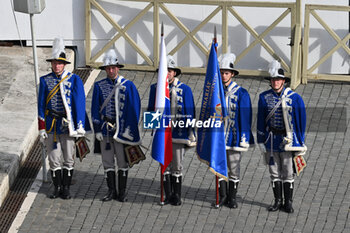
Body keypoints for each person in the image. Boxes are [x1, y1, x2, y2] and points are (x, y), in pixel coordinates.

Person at [38, 37, 89, 199]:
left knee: (68, 158)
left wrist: (80, 125)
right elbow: (40, 106)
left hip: (68, 126)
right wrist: (41, 128)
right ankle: (56, 187)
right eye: (54, 63)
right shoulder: (44, 81)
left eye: (59, 63)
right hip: (52, 125)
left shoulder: (74, 79)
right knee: (53, 159)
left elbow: (79, 104)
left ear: (64, 64)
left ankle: (66, 188)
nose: (57, 66)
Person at [257, 60, 307, 213]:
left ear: (283, 81)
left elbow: (301, 122)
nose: (276, 82)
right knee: (274, 171)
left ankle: (288, 202)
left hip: (288, 140)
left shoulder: (295, 98)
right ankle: (277, 200)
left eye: (278, 80)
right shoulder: (263, 97)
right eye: (273, 80)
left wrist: (299, 142)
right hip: (271, 139)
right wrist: (261, 140)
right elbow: (260, 119)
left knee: (288, 171)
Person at [91, 49, 141, 202]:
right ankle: (111, 191)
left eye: (113, 68)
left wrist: (129, 130)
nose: (111, 71)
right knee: (107, 162)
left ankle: (122, 192)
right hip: (106, 130)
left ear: (118, 68)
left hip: (121, 131)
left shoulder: (129, 86)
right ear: (105, 69)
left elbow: (135, 109)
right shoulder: (99, 86)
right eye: (108, 68)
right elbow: (94, 109)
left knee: (122, 162)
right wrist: (97, 129)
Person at [147, 55, 196, 206]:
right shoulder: (155, 89)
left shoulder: (185, 90)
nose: (167, 73)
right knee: (164, 165)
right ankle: (167, 195)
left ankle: (177, 195)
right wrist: (153, 129)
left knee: (177, 165)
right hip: (162, 134)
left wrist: (191, 132)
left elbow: (190, 111)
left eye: (170, 71)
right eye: (165, 71)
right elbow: (151, 109)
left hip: (178, 134)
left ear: (174, 73)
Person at [218, 53, 254, 208]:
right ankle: (222, 196)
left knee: (233, 167)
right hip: (218, 136)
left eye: (226, 73)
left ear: (232, 74)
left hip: (233, 137)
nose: (224, 76)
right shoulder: (214, 92)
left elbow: (245, 117)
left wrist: (243, 137)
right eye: (221, 73)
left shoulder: (241, 93)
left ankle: (232, 198)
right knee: (218, 167)